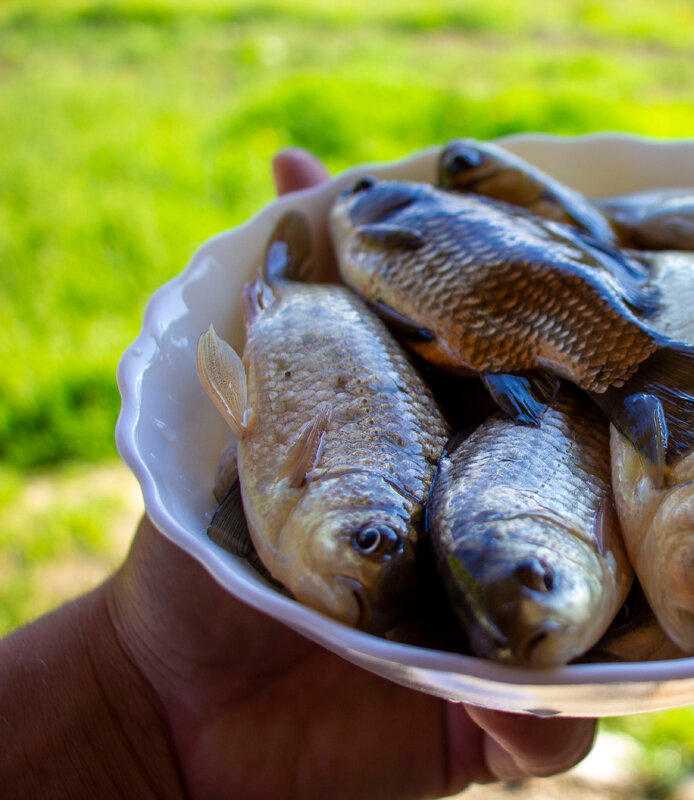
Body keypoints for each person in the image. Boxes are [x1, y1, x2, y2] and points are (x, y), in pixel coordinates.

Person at [0, 149, 596, 799]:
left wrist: (147, 696)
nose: (363, 562)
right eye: (371, 538)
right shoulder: (309, 476)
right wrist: (139, 680)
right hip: (316, 320)